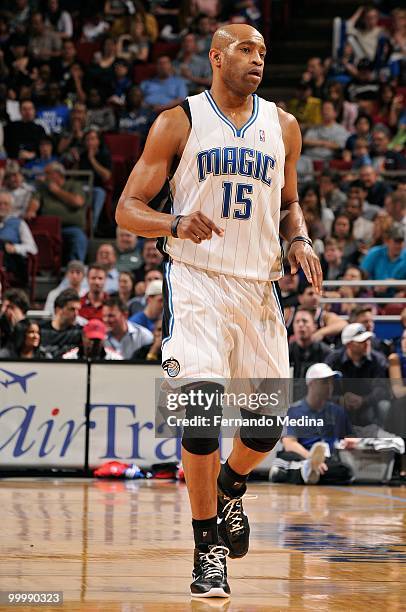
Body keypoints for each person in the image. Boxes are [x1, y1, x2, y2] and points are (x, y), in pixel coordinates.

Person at [115, 23, 322, 598]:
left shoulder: (283, 126)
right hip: (197, 282)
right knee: (200, 420)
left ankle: (231, 488)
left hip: (259, 289)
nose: (258, 60)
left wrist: (300, 239)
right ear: (215, 57)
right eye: (245, 49)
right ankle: (207, 548)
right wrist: (174, 222)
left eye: (263, 52)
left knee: (264, 427)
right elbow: (127, 210)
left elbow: (291, 203)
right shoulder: (179, 121)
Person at [270, 363, 354, 485]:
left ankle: (301, 473)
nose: (330, 386)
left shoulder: (337, 412)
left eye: (331, 382)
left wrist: (350, 442)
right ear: (311, 384)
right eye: (325, 382)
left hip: (325, 460)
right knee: (286, 459)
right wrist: (311, 459)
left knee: (345, 471)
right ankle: (304, 470)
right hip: (301, 455)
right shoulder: (294, 411)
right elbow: (289, 443)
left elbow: (347, 437)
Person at [326, 323, 388, 427]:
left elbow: (382, 389)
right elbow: (323, 389)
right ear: (348, 344)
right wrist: (340, 400)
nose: (367, 343)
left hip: (368, 406)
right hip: (339, 406)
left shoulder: (377, 359)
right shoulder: (333, 360)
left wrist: (364, 400)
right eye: (361, 341)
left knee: (383, 406)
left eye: (367, 340)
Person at [30, 162, 88, 263]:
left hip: (70, 228)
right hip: (48, 229)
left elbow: (78, 202)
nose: (45, 177)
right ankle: (43, 269)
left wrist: (57, 191)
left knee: (79, 238)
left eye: (47, 173)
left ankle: (74, 269)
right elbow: (35, 201)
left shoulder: (74, 185)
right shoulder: (43, 187)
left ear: (57, 174)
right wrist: (31, 211)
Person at [0, 189, 38, 285]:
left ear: (11, 207)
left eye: (6, 204)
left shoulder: (19, 223)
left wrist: (15, 248)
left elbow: (33, 248)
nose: (2, 207)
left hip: (11, 262)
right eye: (0, 203)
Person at [78, 128, 112, 231]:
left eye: (93, 139)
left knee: (99, 193)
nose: (90, 142)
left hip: (97, 187)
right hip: (82, 186)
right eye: (87, 140)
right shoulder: (82, 155)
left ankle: (93, 226)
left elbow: (106, 175)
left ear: (98, 141)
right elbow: (76, 175)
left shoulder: (104, 155)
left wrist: (92, 159)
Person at [40, 288, 83, 356]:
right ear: (58, 310)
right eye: (72, 309)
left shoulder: (79, 332)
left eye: (77, 310)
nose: (76, 314)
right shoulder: (41, 330)